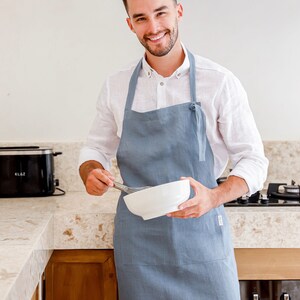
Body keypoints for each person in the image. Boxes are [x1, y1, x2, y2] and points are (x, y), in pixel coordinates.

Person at [79, 0, 268, 299]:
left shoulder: (219, 81)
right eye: (141, 18)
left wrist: (214, 196)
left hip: (203, 239)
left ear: (179, 12)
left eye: (161, 13)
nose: (153, 28)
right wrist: (90, 171)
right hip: (140, 246)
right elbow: (94, 149)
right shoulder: (116, 85)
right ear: (130, 24)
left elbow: (253, 160)